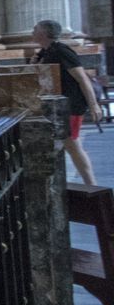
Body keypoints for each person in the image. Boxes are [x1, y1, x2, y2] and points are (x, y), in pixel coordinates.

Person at [32, 20, 103, 184]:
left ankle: (91, 185)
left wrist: (93, 105)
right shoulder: (45, 51)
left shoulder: (62, 51)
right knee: (64, 145)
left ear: (44, 33)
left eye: (35, 29)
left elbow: (82, 79)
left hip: (70, 106)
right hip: (57, 105)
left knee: (73, 146)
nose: (32, 32)